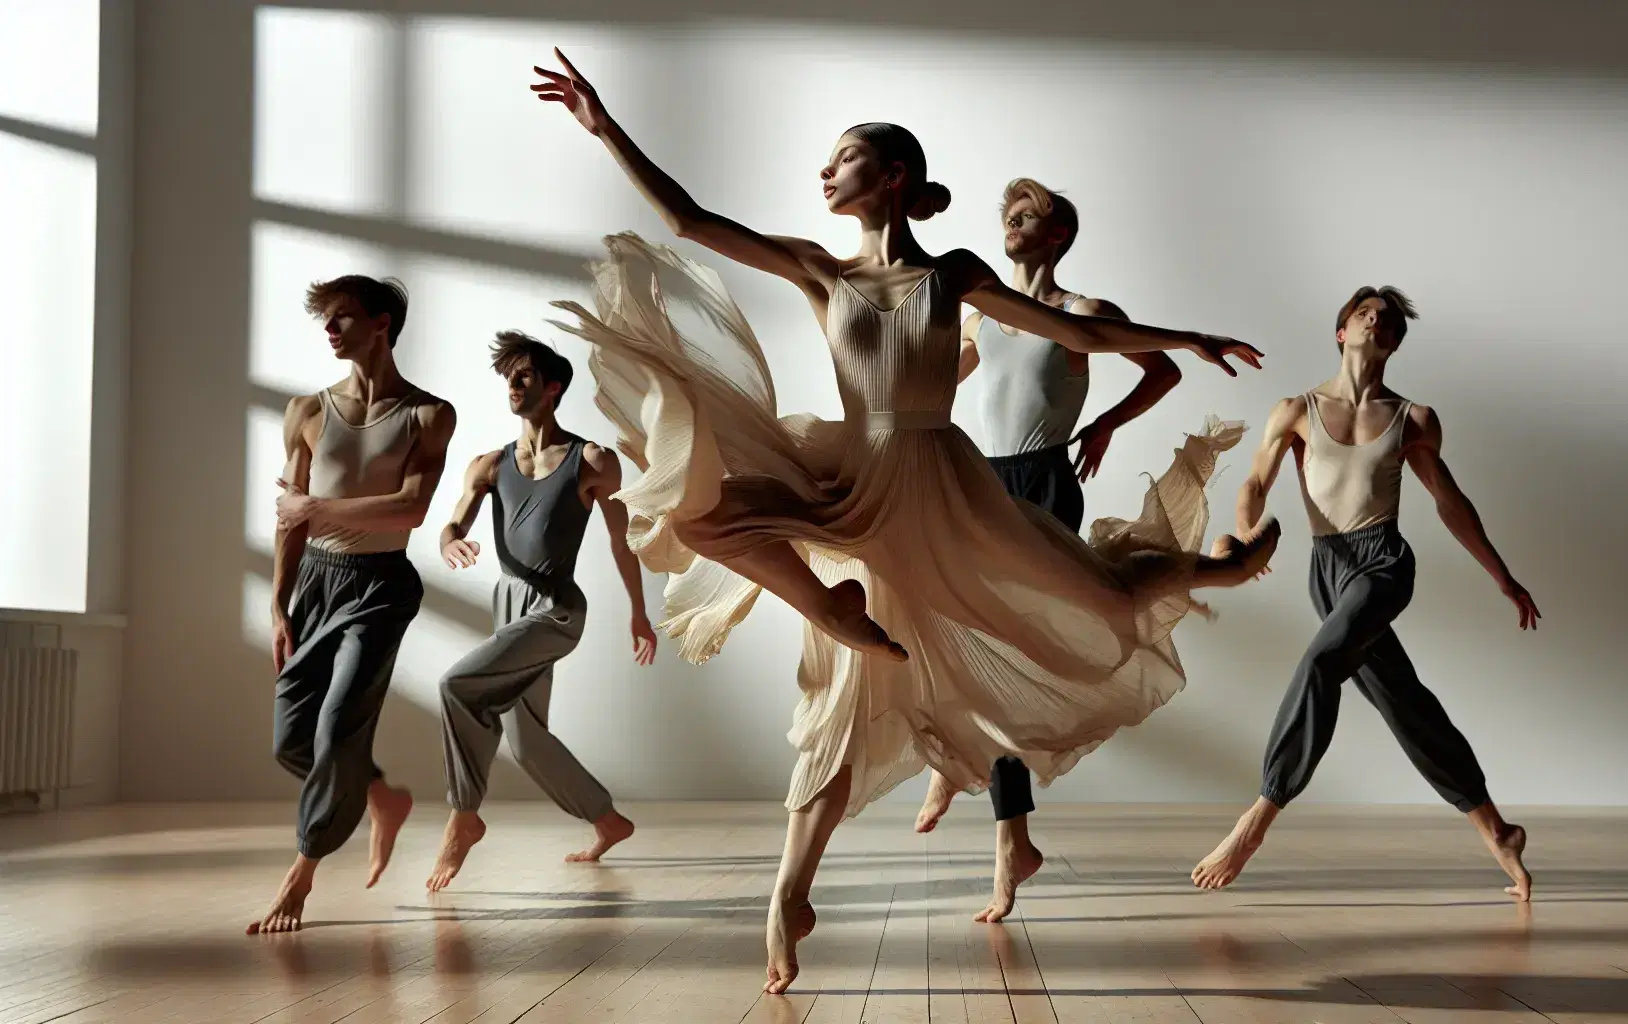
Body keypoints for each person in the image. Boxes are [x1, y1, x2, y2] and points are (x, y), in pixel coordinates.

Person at [531, 48, 1280, 992]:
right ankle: (790, 883)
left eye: (843, 157)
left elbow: (1082, 335)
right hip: (856, 470)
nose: (825, 170)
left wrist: (1183, 337)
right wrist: (606, 129)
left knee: (1085, 597)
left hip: (939, 482)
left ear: (891, 178)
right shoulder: (819, 271)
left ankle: (1209, 570)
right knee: (717, 527)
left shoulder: (953, 273)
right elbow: (690, 221)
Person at [913, 177, 1224, 926]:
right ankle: (990, 809)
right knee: (953, 641)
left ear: (1056, 236)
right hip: (984, 483)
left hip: (1046, 482)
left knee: (1014, 666)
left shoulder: (1084, 314)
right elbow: (934, 387)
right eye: (1007, 218)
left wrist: (1109, 422)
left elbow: (1166, 368)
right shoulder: (982, 315)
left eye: (1025, 219)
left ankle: (993, 825)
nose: (1010, 227)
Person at [1189, 286, 1539, 901]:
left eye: (1387, 319)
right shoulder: (1295, 409)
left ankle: (1257, 818)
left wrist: (1501, 575)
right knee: (1404, 703)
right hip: (1327, 572)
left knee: (1322, 663)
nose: (1374, 320)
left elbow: (1451, 504)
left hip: (1383, 565)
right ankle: (1497, 829)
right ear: (1342, 331)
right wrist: (1247, 536)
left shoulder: (1414, 419)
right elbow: (1254, 482)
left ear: (1394, 342)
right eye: (1362, 313)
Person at [252, 275, 457, 934]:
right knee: (292, 741)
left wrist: (314, 507)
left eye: (341, 318)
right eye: (325, 320)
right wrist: (280, 605)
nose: (329, 330)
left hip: (380, 586)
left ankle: (300, 876)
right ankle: (379, 794)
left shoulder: (429, 415)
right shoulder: (305, 411)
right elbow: (288, 524)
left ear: (382, 324)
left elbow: (413, 508)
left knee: (339, 722)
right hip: (315, 579)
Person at [425, 331, 659, 892]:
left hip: (555, 610)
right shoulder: (487, 465)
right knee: (525, 740)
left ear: (553, 389)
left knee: (457, 684)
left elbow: (620, 542)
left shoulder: (592, 461)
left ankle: (463, 817)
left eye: (525, 375)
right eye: (508, 375)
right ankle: (609, 821)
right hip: (507, 603)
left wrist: (638, 613)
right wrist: (450, 542)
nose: (513, 383)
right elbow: (453, 522)